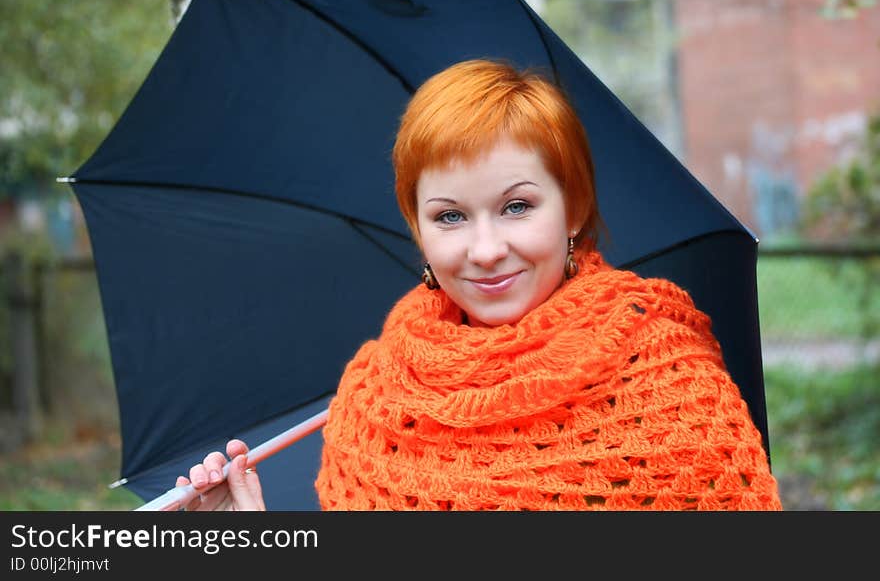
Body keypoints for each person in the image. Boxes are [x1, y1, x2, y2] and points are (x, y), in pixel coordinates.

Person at [173, 58, 783, 511]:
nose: (487, 250)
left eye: (517, 207)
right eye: (450, 216)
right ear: (418, 230)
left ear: (573, 209)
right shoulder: (374, 400)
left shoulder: (671, 388)